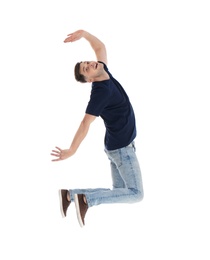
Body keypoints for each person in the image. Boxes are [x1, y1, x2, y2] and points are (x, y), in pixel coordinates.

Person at [51, 29, 144, 227]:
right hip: (121, 149)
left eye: (87, 63)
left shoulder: (103, 70)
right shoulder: (100, 94)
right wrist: (72, 150)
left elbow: (99, 47)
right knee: (136, 194)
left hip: (115, 147)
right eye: (87, 69)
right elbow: (85, 123)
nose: (91, 64)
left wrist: (84, 33)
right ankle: (88, 200)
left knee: (118, 190)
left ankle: (70, 196)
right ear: (90, 80)